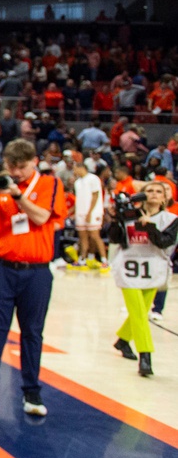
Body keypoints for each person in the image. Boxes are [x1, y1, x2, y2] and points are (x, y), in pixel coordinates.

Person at [0, 139, 68, 417]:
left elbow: (42, 217)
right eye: (13, 167)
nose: (17, 172)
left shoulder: (49, 184)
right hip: (2, 266)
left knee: (32, 331)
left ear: (34, 162)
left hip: (36, 270)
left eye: (22, 167)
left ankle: (31, 392)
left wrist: (18, 195)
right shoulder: (1, 186)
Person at [107, 182, 175, 377]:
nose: (153, 194)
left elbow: (164, 242)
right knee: (139, 314)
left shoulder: (171, 219)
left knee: (141, 312)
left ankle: (122, 339)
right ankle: (145, 356)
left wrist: (149, 226)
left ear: (165, 198)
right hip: (128, 270)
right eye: (149, 190)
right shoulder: (128, 215)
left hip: (153, 270)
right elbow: (114, 238)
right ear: (141, 195)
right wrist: (115, 219)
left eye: (158, 191)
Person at [72, 160, 107, 267]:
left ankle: (104, 260)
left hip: (93, 212)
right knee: (82, 236)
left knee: (94, 236)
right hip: (80, 212)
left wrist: (89, 213)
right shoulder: (77, 182)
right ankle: (82, 259)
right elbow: (79, 199)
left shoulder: (93, 179)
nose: (74, 171)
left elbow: (95, 196)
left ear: (81, 168)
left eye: (75, 169)